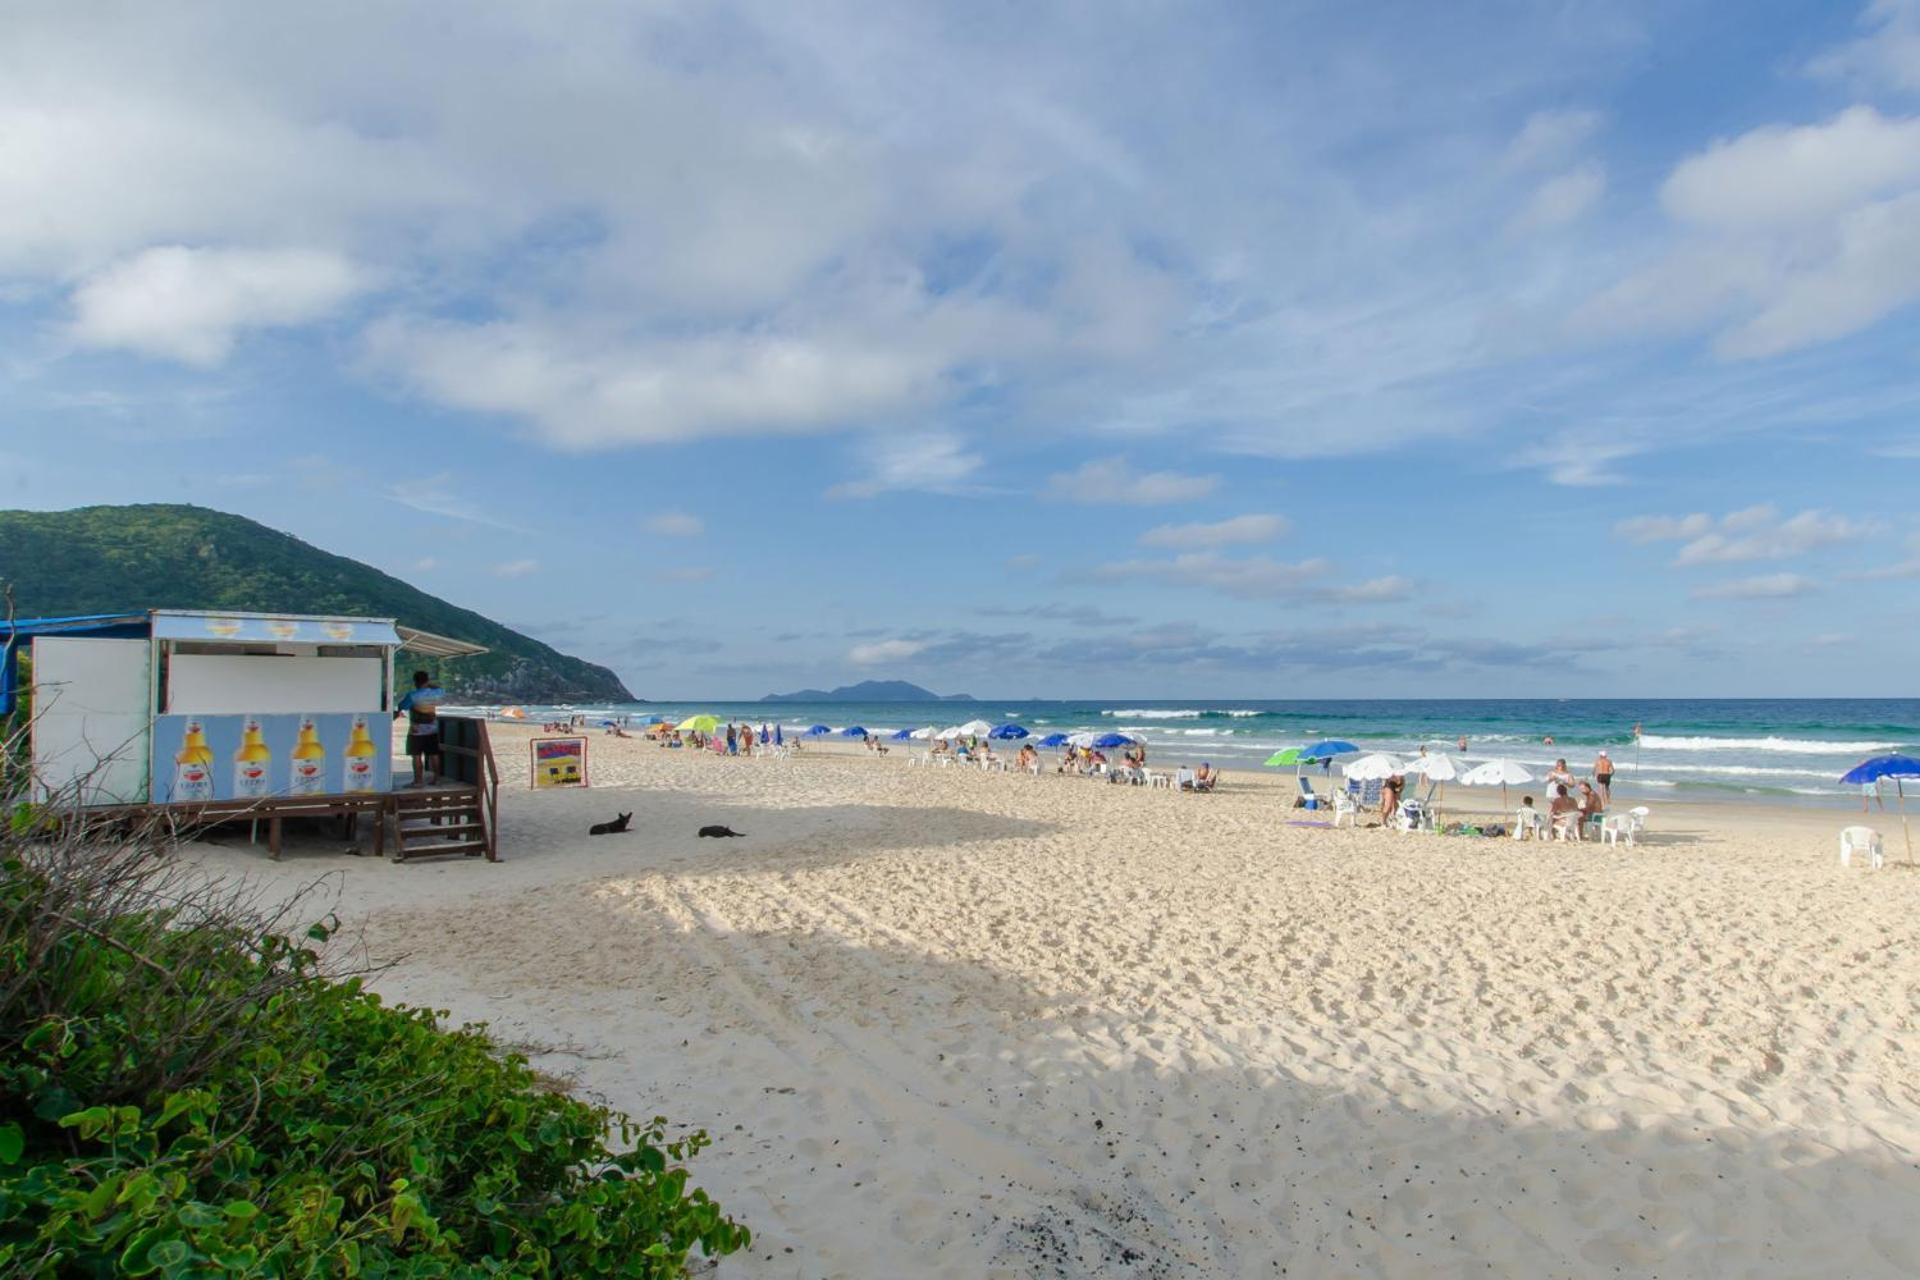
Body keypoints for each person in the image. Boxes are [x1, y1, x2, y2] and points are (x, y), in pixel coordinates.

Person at [394, 670, 444, 787]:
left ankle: (418, 781)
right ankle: (437, 779)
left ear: (415, 682)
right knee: (433, 754)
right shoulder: (437, 693)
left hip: (416, 731)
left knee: (416, 755)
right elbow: (439, 688)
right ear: (427, 680)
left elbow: (402, 706)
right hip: (433, 729)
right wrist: (429, 685)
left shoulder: (412, 695)